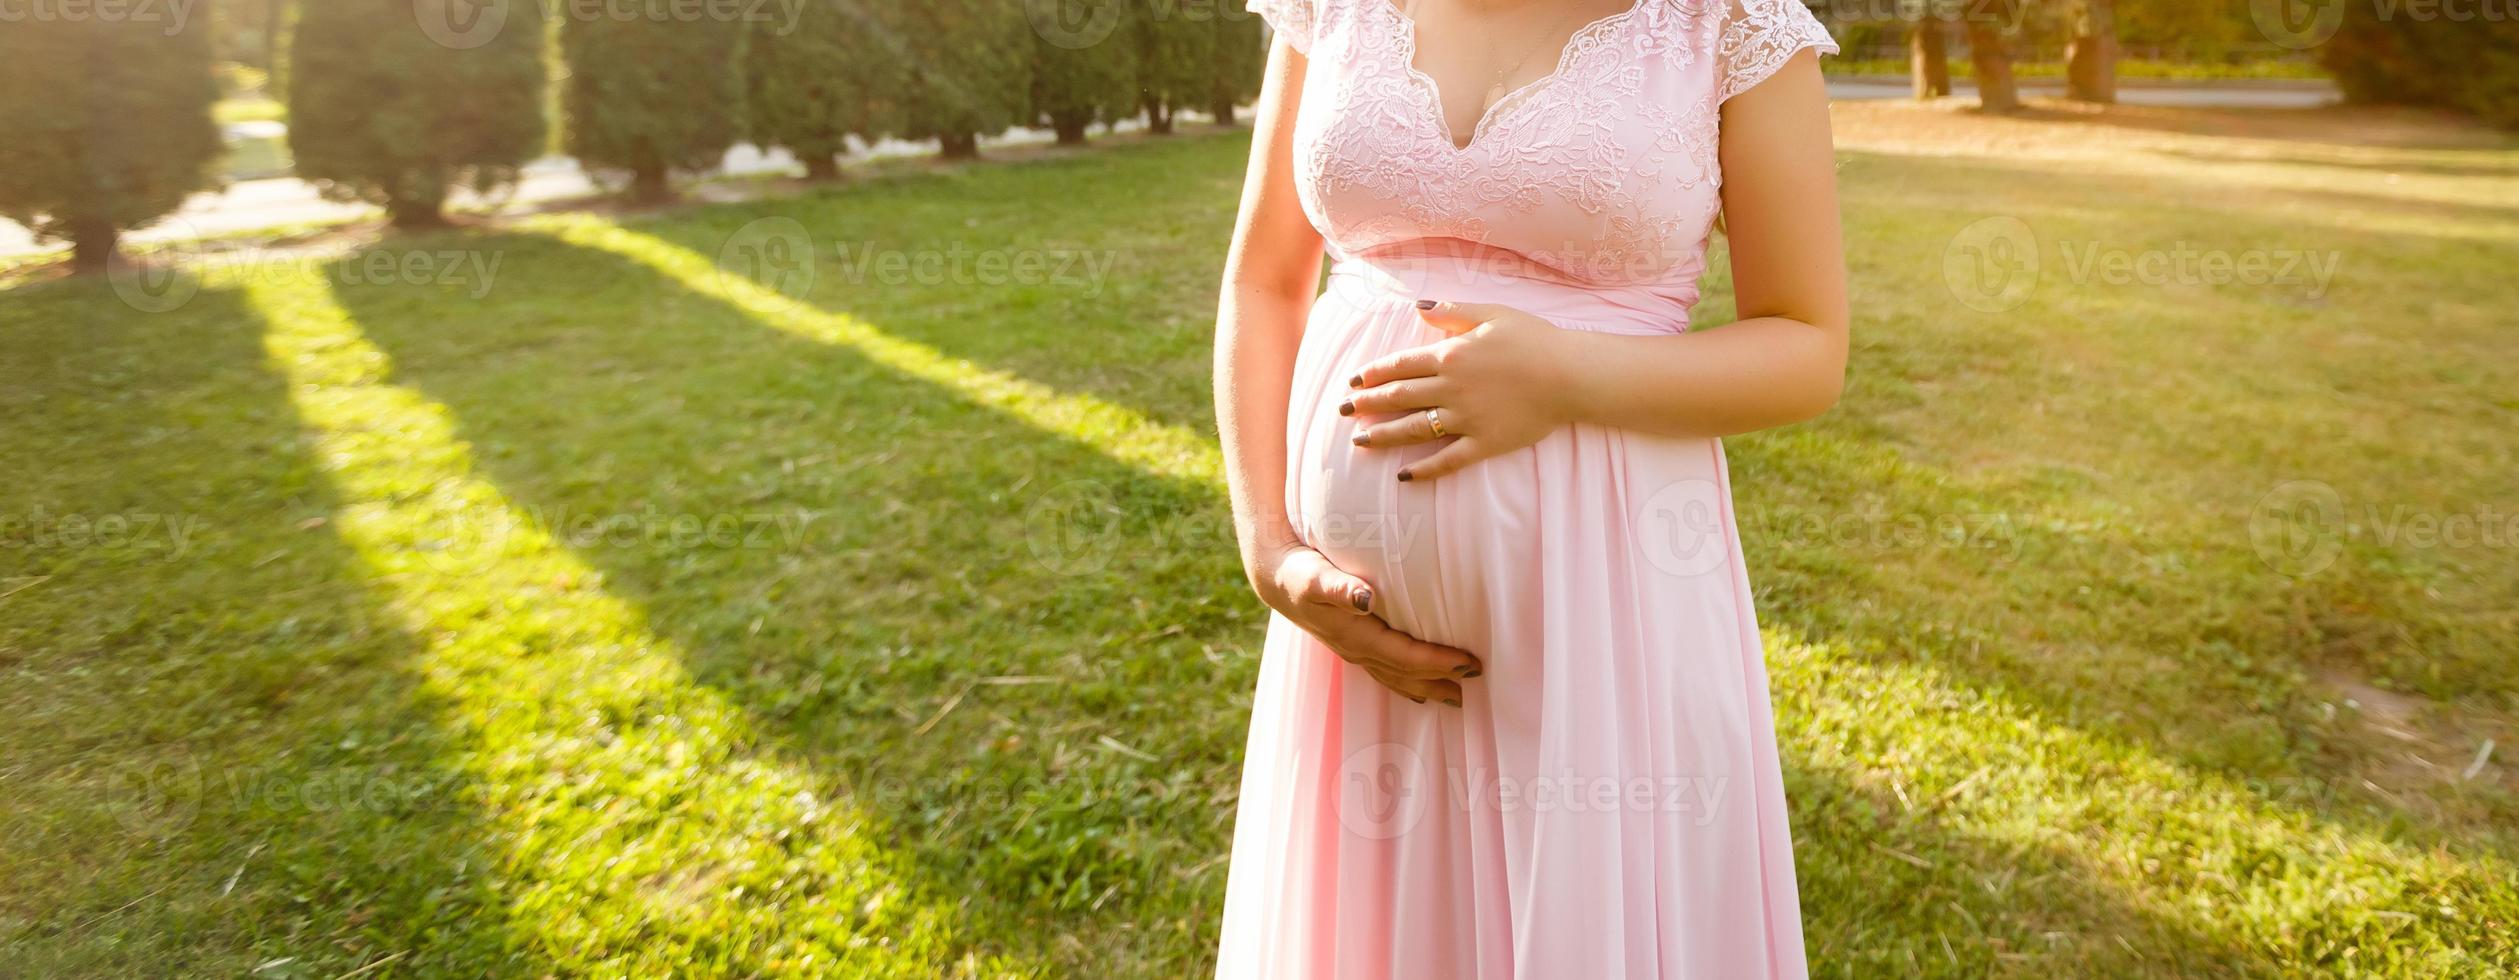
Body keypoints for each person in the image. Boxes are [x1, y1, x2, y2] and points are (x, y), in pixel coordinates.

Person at [1209, 0, 1849, 974]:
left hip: (1602, 616)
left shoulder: (1729, 23)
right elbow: (1261, 277)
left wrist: (1565, 375)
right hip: (1352, 651)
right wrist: (1268, 547)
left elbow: (1806, 345)